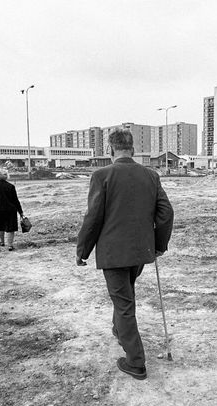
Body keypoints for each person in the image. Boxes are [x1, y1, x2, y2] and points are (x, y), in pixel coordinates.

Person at [76, 129, 174, 381]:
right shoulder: (151, 176)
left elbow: (93, 217)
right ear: (132, 149)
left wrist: (82, 250)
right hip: (140, 252)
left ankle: (136, 362)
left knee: (123, 303)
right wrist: (159, 245)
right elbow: (166, 213)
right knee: (125, 295)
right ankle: (119, 331)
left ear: (110, 150)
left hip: (113, 253)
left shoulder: (101, 176)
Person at [0, 168, 24, 251]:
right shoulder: (11, 186)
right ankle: (10, 245)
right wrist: (21, 212)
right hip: (10, 210)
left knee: (0, 226)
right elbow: (15, 200)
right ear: (7, 176)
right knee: (11, 228)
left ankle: (2, 242)